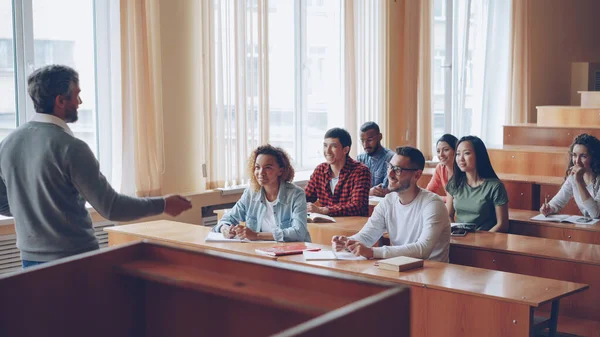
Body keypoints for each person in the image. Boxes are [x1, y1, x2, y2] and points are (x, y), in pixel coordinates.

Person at [0, 65, 192, 267]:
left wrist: (34, 209)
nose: (80, 102)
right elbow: (112, 207)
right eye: (77, 95)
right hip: (75, 262)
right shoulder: (71, 148)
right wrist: (163, 204)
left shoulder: (8, 144)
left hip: (30, 263)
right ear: (60, 100)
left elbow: (3, 203)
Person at [332, 146, 450, 261]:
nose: (390, 174)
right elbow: (367, 236)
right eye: (390, 167)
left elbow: (423, 249)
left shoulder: (433, 204)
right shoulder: (387, 201)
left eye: (398, 170)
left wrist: (372, 252)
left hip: (431, 273)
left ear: (417, 175)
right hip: (399, 268)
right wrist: (347, 242)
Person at [213, 144, 311, 242]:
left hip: (291, 251)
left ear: (281, 171)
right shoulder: (251, 193)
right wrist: (225, 229)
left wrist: (257, 235)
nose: (261, 172)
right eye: (257, 167)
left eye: (268, 168)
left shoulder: (296, 194)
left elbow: (298, 232)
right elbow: (226, 219)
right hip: (259, 251)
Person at [445, 136, 509, 232]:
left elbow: (502, 225)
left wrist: (481, 241)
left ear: (479, 155)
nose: (460, 158)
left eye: (466, 153)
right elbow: (448, 215)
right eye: (458, 154)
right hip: (460, 238)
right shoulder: (454, 183)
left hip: (486, 241)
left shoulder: (495, 186)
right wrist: (456, 233)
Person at [305, 128, 371, 216]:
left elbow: (358, 207)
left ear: (346, 150)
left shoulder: (361, 171)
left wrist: (324, 210)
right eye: (325, 145)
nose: (327, 151)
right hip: (327, 225)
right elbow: (305, 198)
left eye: (333, 146)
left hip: (353, 227)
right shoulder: (320, 170)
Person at [541, 133, 600, 218]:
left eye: (583, 156)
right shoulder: (573, 177)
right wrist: (549, 208)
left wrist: (579, 181)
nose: (577, 161)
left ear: (594, 158)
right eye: (574, 155)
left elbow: (595, 214)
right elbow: (557, 202)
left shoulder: (578, 178)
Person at [357, 121, 395, 197]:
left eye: (369, 140)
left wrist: (364, 192)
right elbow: (354, 188)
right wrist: (369, 192)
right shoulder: (360, 158)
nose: (365, 145)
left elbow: (384, 189)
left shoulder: (391, 158)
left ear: (380, 137)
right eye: (362, 141)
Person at [426, 134, 458, 200]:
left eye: (446, 150)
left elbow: (458, 199)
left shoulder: (463, 169)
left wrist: (439, 198)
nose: (441, 154)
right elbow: (428, 192)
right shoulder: (440, 167)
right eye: (438, 151)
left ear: (456, 151)